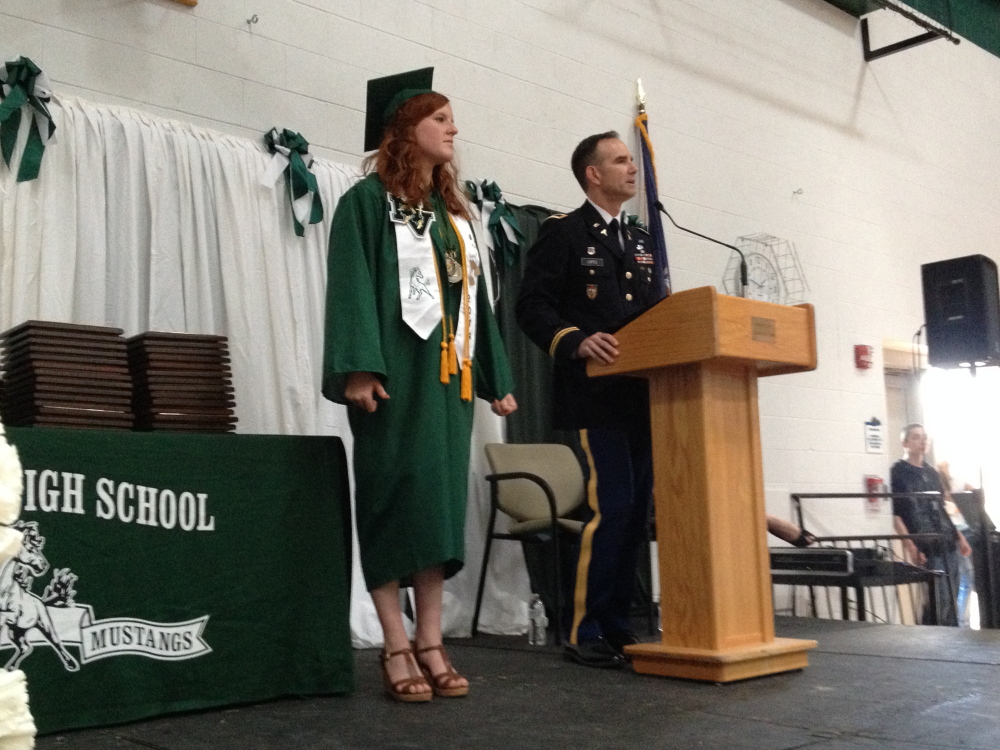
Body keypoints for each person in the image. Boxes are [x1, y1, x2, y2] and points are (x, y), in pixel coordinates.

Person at [322, 68, 517, 702]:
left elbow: (474, 302)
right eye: (440, 119)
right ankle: (394, 643)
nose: (453, 128)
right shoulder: (365, 202)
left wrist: (496, 376)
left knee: (435, 508)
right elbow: (351, 285)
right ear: (406, 131)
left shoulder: (451, 214)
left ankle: (431, 640)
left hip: (447, 383)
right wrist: (358, 366)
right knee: (389, 501)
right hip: (391, 380)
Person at [515, 132, 663, 668]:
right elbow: (532, 306)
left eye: (632, 159)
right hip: (595, 395)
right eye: (621, 160)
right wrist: (574, 340)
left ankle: (619, 625)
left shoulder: (643, 240)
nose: (633, 168)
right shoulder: (565, 233)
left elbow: (657, 313)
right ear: (592, 175)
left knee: (635, 510)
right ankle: (584, 628)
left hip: (644, 395)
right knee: (614, 506)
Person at [890, 424, 971, 626]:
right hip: (925, 541)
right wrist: (911, 547)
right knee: (938, 596)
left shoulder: (933, 473)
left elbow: (948, 503)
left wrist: (961, 535)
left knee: (953, 595)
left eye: (924, 437)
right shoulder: (898, 472)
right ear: (905, 443)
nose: (922, 441)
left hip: (947, 538)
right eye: (916, 437)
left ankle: (953, 638)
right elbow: (897, 515)